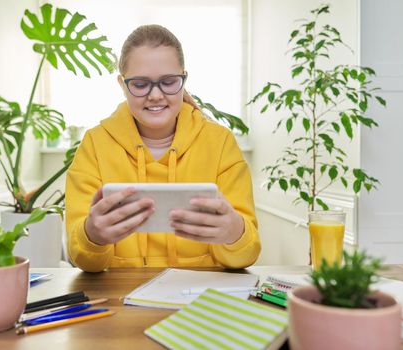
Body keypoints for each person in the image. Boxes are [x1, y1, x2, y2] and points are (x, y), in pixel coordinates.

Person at [65, 24, 260, 272]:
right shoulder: (94, 145)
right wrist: (91, 235)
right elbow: (83, 259)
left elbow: (247, 254)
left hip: (199, 299)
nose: (155, 95)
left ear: (184, 79)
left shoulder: (220, 142)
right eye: (140, 84)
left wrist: (234, 232)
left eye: (168, 82)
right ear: (122, 85)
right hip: (119, 299)